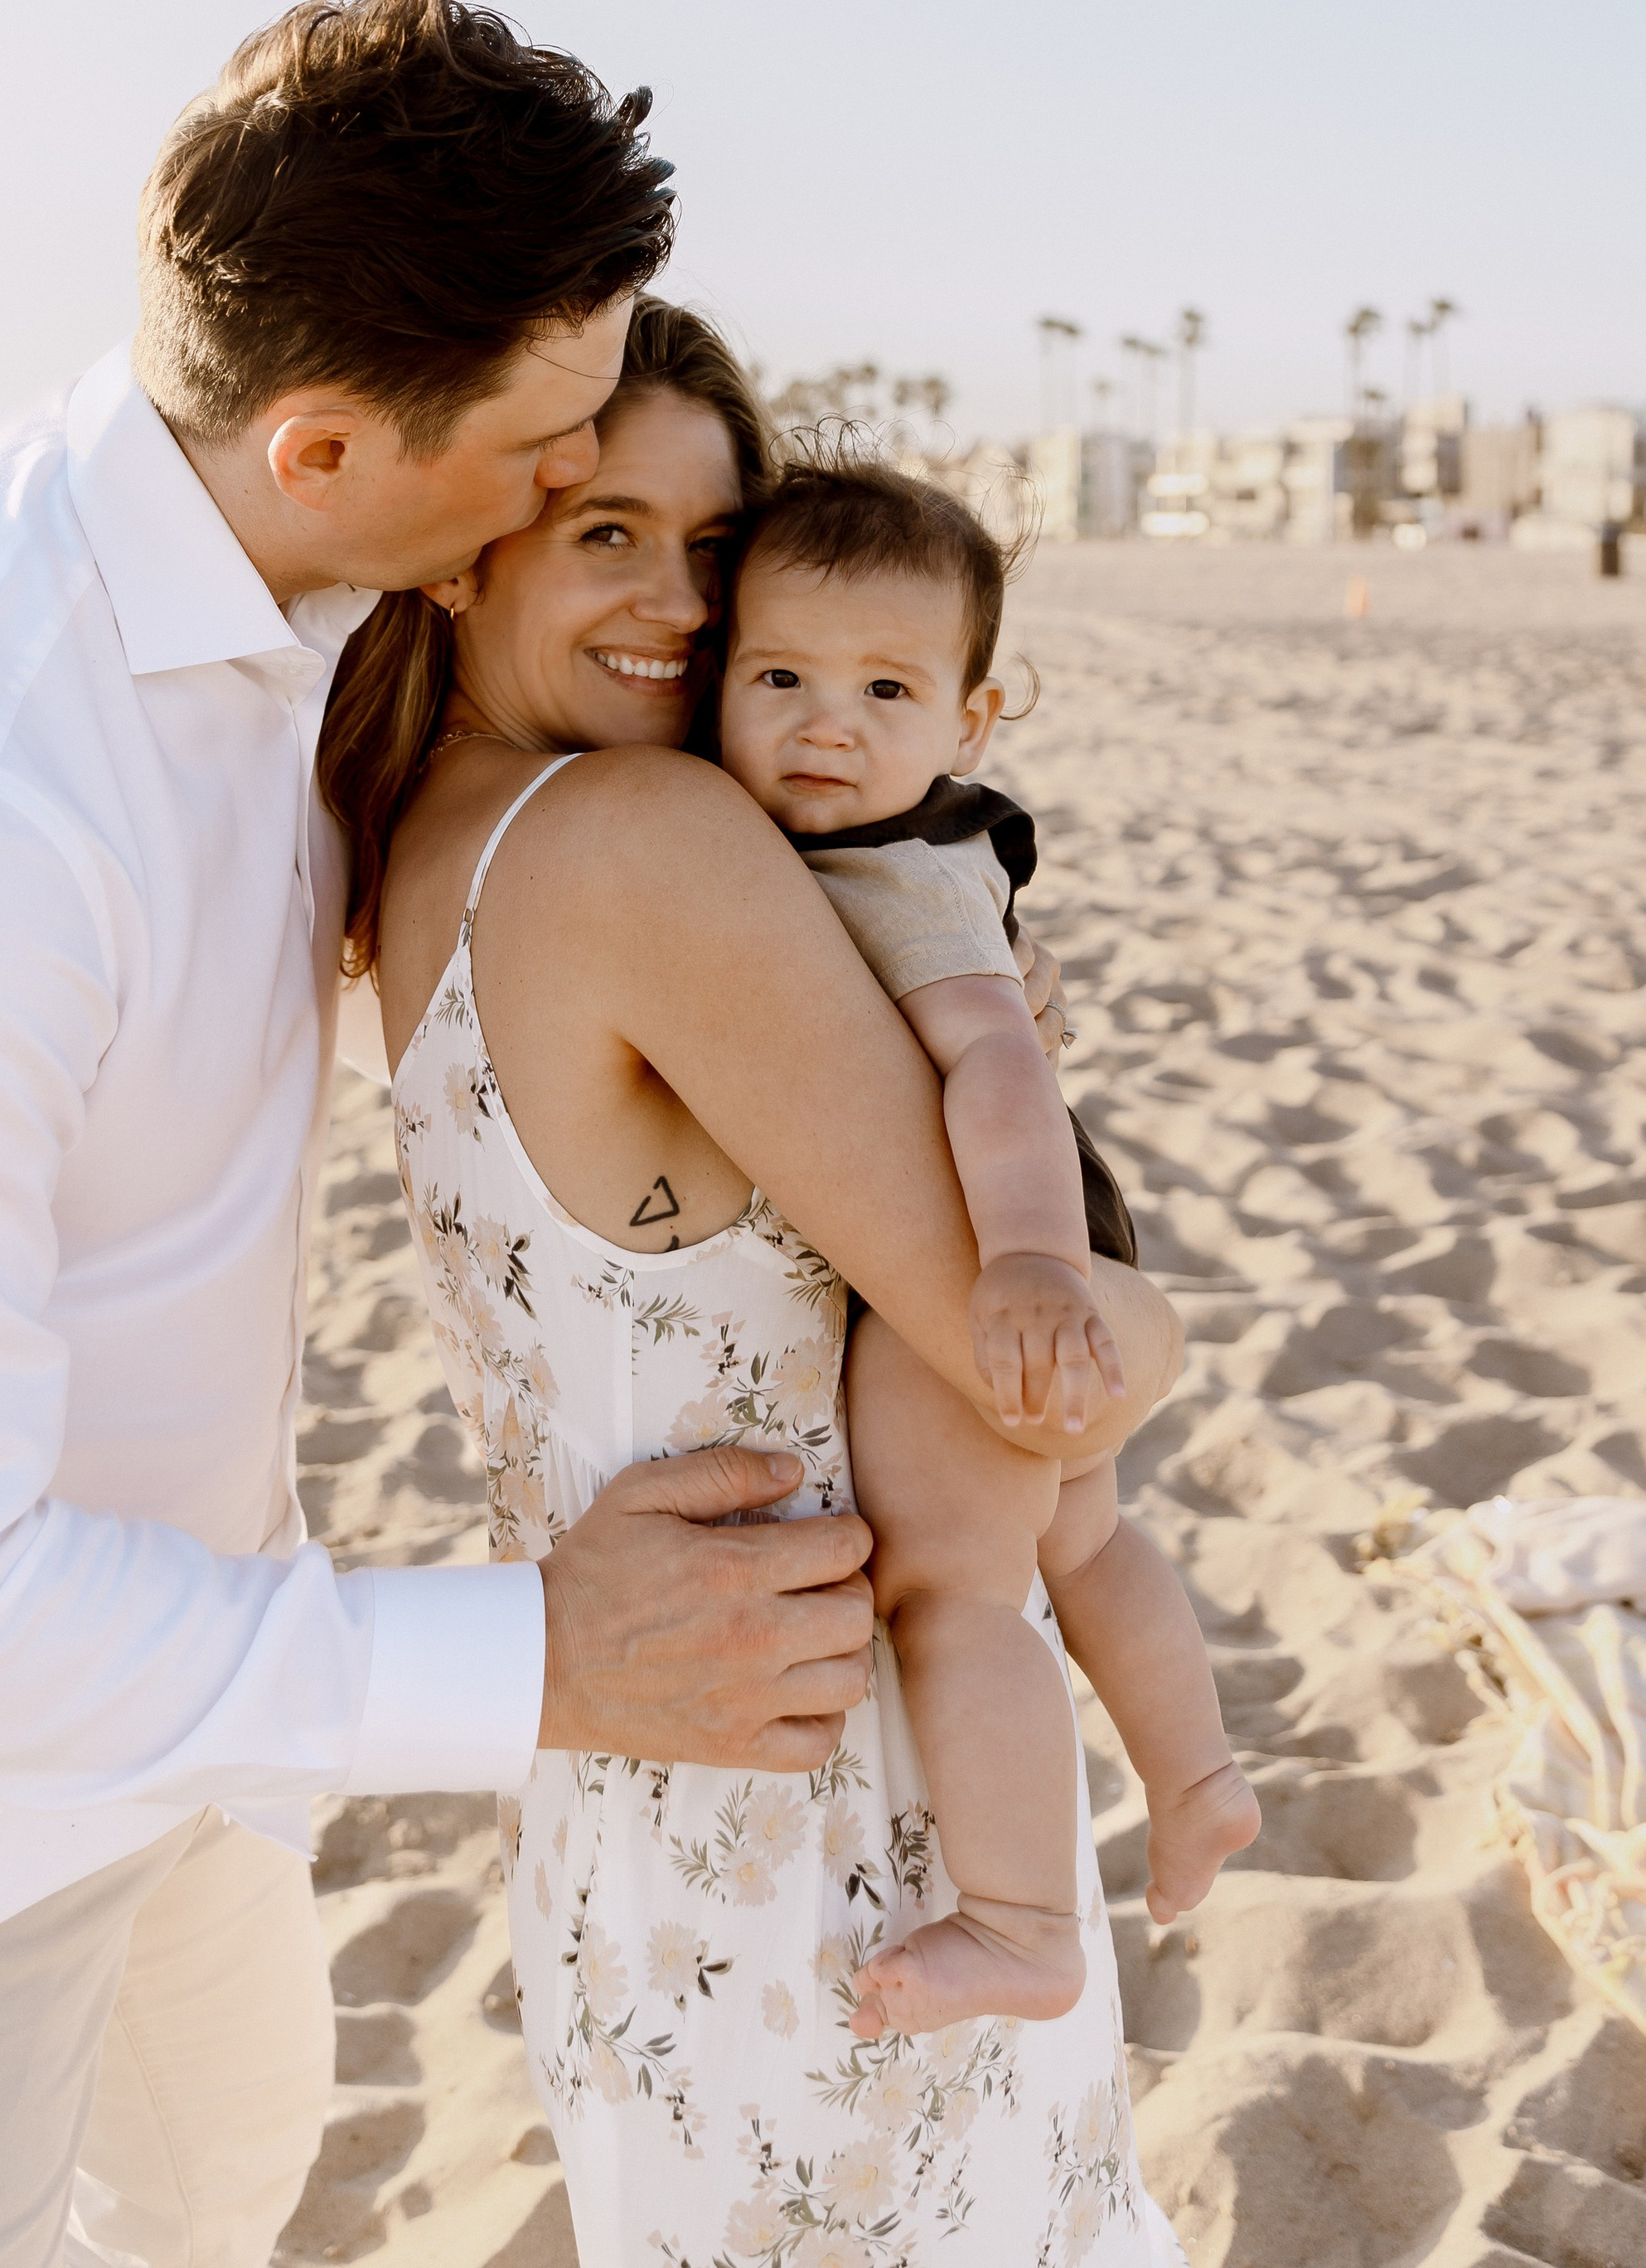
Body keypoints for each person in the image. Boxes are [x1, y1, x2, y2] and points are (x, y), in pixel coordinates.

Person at [0, 0, 883, 2268]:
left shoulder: (310, 591)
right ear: (321, 445)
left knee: (214, 2203)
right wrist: (543, 1657)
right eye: (544, 440)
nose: (583, 468)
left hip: (196, 1749)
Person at [326, 298, 1189, 2266]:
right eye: (604, 529)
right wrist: (1148, 1315)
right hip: (850, 1827)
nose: (684, 607)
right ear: (469, 545)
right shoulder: (647, 834)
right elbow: (1032, 1369)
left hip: (626, 1828)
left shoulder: (412, 853)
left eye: (717, 548)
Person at [716, 453, 1260, 2038]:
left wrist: (1024, 1265)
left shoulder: (895, 875)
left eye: (886, 687)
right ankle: (1199, 1771)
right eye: (780, 677)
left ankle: (1024, 1918)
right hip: (1039, 1238)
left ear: (970, 723)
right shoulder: (884, 839)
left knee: (960, 1587)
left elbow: (1004, 1062)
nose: (828, 722)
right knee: (1081, 1541)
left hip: (986, 1246)